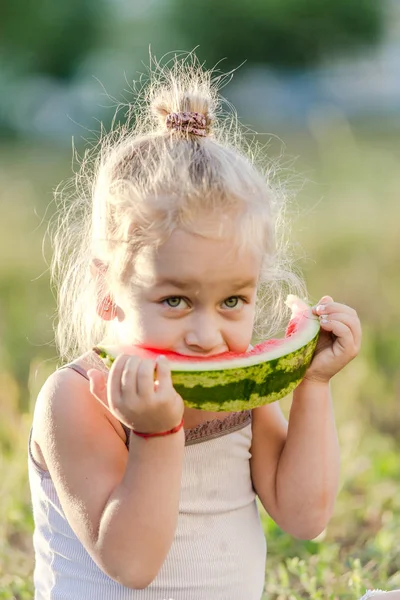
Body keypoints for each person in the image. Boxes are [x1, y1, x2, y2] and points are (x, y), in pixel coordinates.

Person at [28, 55, 361, 599]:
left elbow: (305, 518)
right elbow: (130, 563)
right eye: (176, 300)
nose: (208, 336)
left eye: (233, 299)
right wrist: (157, 434)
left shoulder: (241, 387)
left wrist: (314, 387)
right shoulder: (76, 399)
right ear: (107, 288)